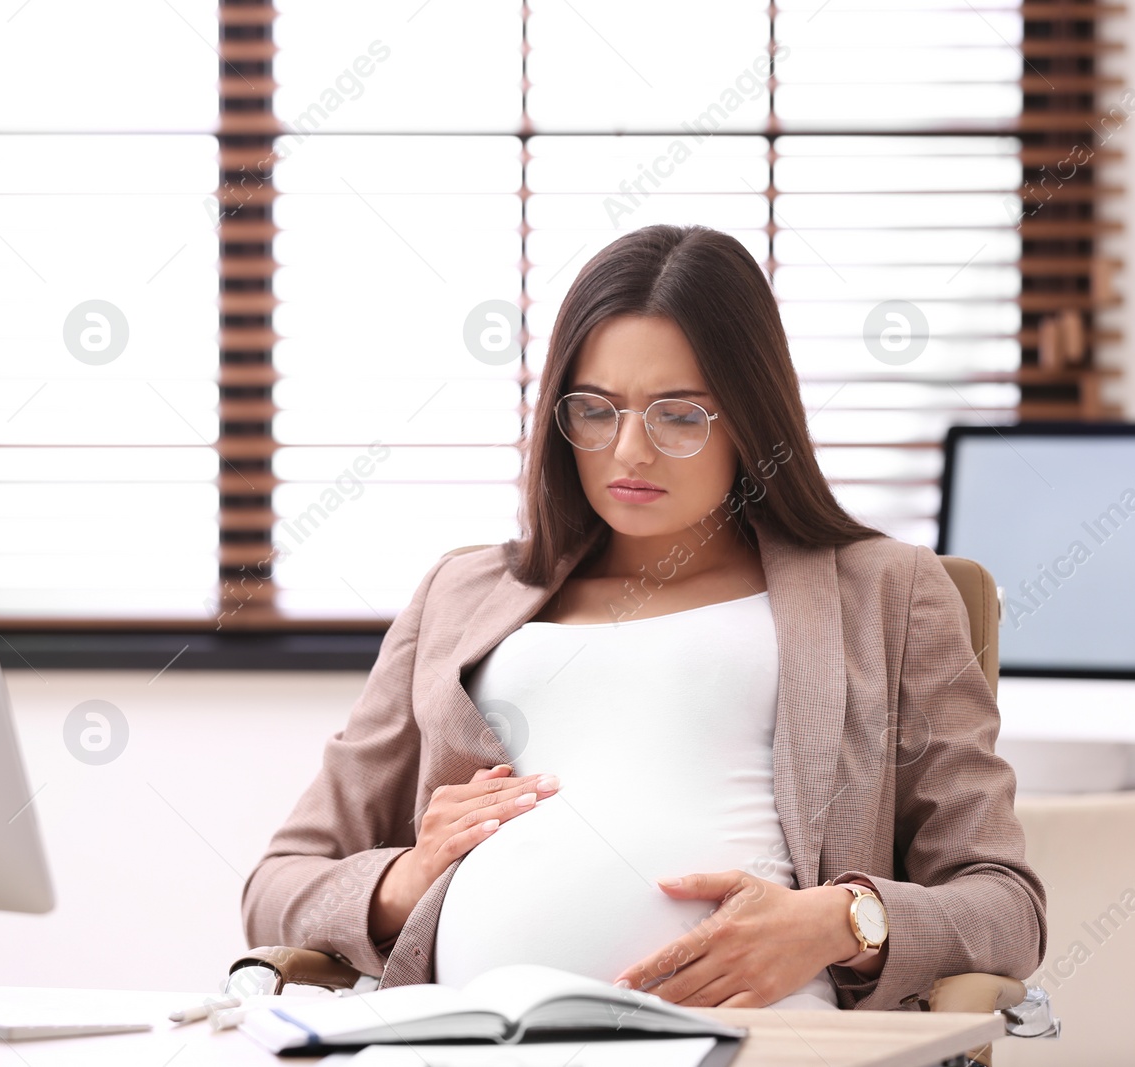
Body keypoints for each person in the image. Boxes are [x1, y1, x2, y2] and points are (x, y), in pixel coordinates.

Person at [242, 224, 1047, 1012]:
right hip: (477, 1043)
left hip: (759, 1040)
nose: (629, 451)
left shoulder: (886, 592)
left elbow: (1007, 906)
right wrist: (403, 881)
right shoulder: (459, 596)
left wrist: (842, 920)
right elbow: (278, 883)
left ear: (750, 420)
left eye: (679, 415)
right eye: (596, 410)